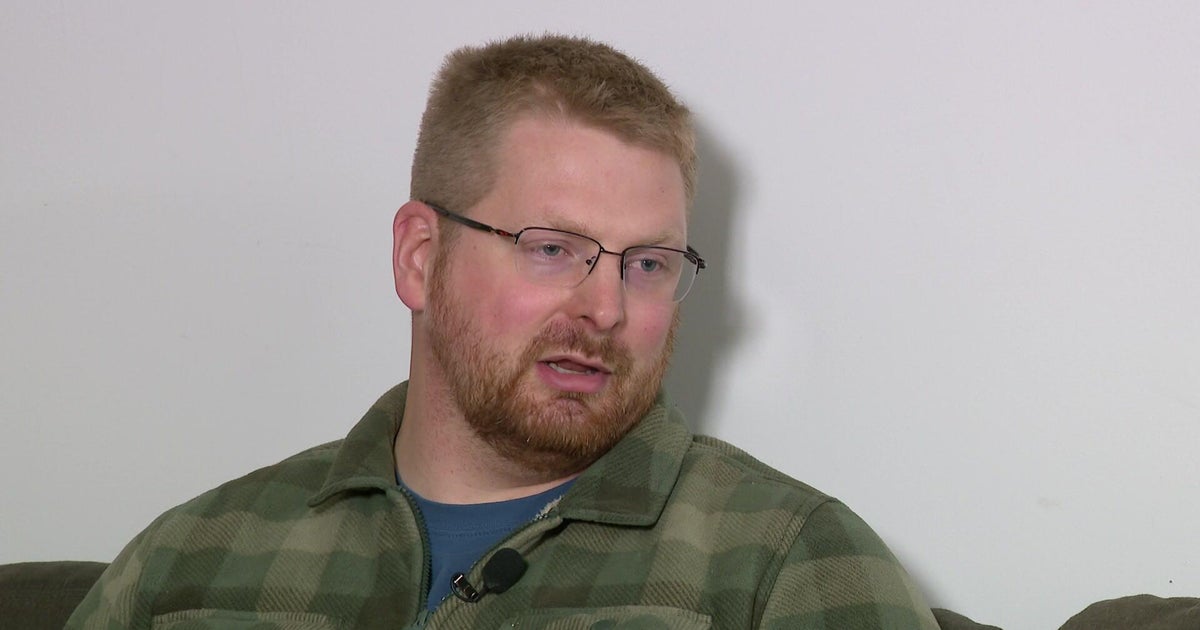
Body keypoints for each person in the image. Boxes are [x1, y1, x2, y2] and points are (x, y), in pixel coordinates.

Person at [67, 34, 939, 629]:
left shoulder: (787, 567)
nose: (606, 310)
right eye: (553, 249)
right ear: (420, 257)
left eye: (648, 264)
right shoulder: (187, 566)